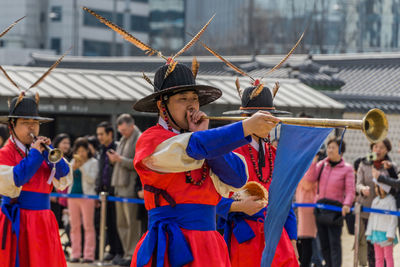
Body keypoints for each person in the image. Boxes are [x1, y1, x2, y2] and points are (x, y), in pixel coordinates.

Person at [130, 63, 280, 267]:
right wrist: (245, 127)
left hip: (209, 244)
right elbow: (192, 147)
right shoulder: (151, 140)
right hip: (172, 243)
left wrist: (204, 134)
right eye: (183, 99)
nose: (192, 106)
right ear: (161, 105)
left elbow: (237, 177)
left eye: (194, 99)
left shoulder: (205, 142)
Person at [216, 85, 299, 267]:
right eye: (264, 118)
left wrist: (293, 240)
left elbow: (285, 202)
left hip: (277, 237)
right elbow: (212, 199)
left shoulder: (276, 154)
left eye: (271, 118)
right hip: (245, 238)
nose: (270, 123)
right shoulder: (229, 153)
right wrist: (239, 206)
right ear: (246, 119)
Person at [0, 95, 72, 267]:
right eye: (25, 122)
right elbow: (17, 178)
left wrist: (51, 156)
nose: (32, 126)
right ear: (12, 126)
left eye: (35, 122)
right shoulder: (4, 153)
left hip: (44, 220)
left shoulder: (41, 150)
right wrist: (35, 155)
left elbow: (64, 177)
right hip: (18, 220)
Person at [307, 138, 355, 267]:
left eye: (333, 147)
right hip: (320, 209)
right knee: (324, 245)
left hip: (335, 211)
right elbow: (311, 178)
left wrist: (347, 204)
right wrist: (313, 162)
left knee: (334, 244)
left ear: (340, 150)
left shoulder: (347, 169)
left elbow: (350, 190)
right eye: (329, 147)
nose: (330, 150)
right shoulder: (322, 164)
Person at [356, 138, 397, 266]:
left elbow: (395, 187)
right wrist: (362, 189)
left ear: (387, 150)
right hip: (367, 211)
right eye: (375, 147)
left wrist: (382, 177)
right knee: (371, 250)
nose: (378, 150)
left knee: (385, 252)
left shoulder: (390, 166)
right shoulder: (364, 163)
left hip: (385, 215)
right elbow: (358, 184)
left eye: (381, 148)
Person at [108, 114, 142, 266]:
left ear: (132, 125)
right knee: (121, 223)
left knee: (132, 224)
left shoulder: (139, 138)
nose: (122, 133)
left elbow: (138, 163)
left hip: (130, 187)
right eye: (120, 130)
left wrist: (120, 159)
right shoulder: (123, 139)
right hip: (118, 186)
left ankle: (132, 254)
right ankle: (126, 252)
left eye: (124, 130)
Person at [95, 121, 124, 262]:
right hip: (104, 193)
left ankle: (120, 251)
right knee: (108, 224)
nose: (99, 137)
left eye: (102, 134)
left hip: (116, 192)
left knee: (118, 223)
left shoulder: (118, 148)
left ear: (110, 134)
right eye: (98, 134)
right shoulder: (101, 150)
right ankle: (112, 250)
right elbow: (100, 172)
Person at [68, 137, 98, 263]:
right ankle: (75, 254)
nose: (81, 153)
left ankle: (89, 255)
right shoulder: (72, 161)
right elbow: (67, 178)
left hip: (88, 197)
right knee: (74, 226)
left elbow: (92, 179)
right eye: (78, 150)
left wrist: (82, 167)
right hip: (73, 196)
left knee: (88, 226)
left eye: (83, 150)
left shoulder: (93, 162)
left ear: (88, 150)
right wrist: (73, 167)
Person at [365, 178, 398, 267]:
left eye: (379, 186)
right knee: (378, 257)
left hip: (386, 234)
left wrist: (391, 233)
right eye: (376, 187)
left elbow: (393, 218)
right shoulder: (375, 201)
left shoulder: (391, 200)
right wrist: (369, 233)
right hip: (376, 234)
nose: (378, 189)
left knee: (388, 257)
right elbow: (371, 217)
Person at [296, 161, 318, 267]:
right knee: (302, 240)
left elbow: (308, 182)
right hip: (301, 207)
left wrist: (313, 162)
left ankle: (306, 264)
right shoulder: (303, 167)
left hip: (308, 208)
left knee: (307, 241)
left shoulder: (313, 167)